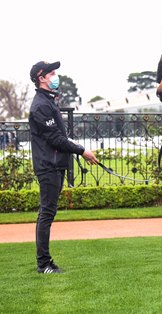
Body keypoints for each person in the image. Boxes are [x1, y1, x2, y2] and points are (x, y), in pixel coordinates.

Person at [29, 61, 99, 274]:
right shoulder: (41, 105)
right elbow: (56, 139)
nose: (55, 75)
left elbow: (58, 138)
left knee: (47, 212)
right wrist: (81, 150)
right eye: (51, 73)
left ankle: (44, 262)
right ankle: (44, 264)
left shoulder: (48, 102)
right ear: (41, 78)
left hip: (54, 165)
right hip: (48, 166)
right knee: (47, 213)